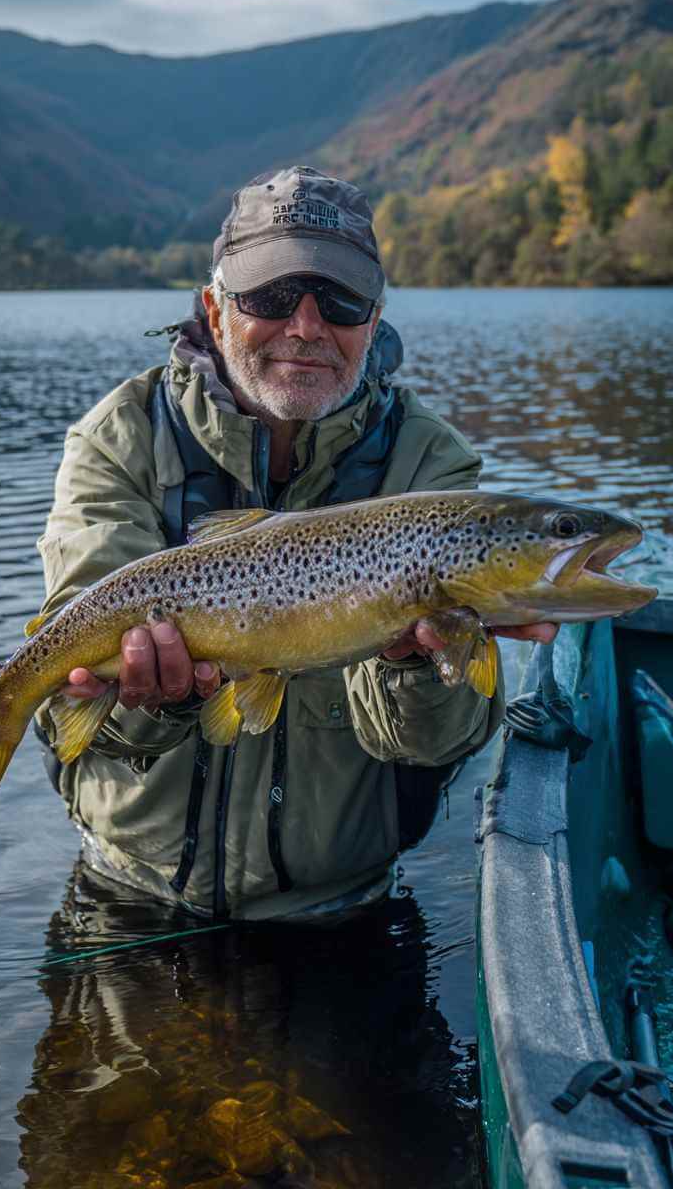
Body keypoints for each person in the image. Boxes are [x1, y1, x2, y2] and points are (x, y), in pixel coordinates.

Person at [34, 166, 556, 921]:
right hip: (129, 890)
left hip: (344, 908)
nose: (306, 328)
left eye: (339, 301)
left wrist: (418, 664)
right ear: (216, 310)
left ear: (372, 323)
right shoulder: (121, 438)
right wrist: (153, 701)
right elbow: (67, 714)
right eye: (272, 297)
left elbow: (440, 748)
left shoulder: (430, 468)